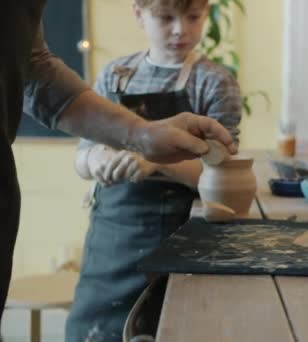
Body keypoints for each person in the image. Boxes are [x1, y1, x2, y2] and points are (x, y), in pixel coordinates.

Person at [0, 1, 236, 335]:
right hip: (110, 243)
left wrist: (147, 148)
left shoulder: (213, 81)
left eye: (193, 17)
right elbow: (82, 156)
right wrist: (95, 159)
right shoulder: (117, 74)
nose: (180, 29)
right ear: (139, 15)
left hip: (175, 239)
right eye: (166, 18)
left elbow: (34, 69)